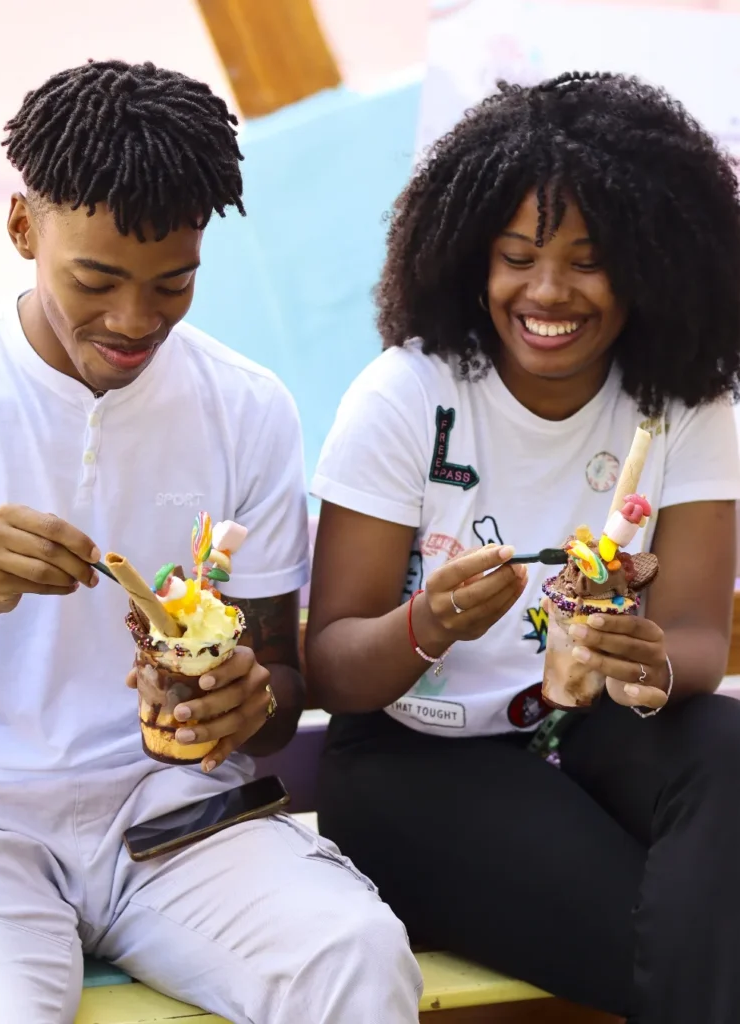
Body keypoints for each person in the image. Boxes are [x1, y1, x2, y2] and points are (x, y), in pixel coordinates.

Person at [0, 60, 422, 1024]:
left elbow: (276, 694)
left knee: (354, 962)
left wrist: (243, 701)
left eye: (174, 283)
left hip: (176, 817)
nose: (133, 321)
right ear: (22, 227)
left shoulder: (247, 407)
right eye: (95, 280)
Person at [306, 72, 740, 1024]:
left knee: (728, 747)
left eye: (590, 261)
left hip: (589, 731)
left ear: (655, 264)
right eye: (515, 257)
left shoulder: (688, 403)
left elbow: (699, 643)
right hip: (412, 758)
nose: (546, 292)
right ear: (471, 260)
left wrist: (643, 658)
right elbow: (332, 665)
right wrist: (426, 624)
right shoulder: (406, 396)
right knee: (675, 936)